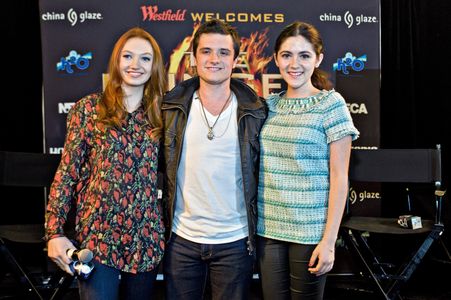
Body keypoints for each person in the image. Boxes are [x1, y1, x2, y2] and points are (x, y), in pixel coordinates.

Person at [44, 27, 167, 300]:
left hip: (144, 238)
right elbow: (67, 173)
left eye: (145, 58)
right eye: (128, 56)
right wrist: (54, 231)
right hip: (98, 236)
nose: (135, 65)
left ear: (155, 66)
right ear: (116, 61)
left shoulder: (164, 115)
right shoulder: (88, 109)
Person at [161, 19, 267, 300]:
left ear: (235, 59)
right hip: (181, 240)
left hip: (235, 241)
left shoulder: (256, 112)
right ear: (194, 58)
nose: (214, 59)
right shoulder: (170, 108)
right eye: (206, 51)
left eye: (223, 52)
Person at [257, 21, 360, 299]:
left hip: (311, 232)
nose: (295, 64)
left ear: (318, 59)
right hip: (268, 231)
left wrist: (329, 241)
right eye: (287, 55)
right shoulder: (268, 106)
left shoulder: (331, 104)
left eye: (304, 55)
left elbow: (340, 178)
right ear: (276, 59)